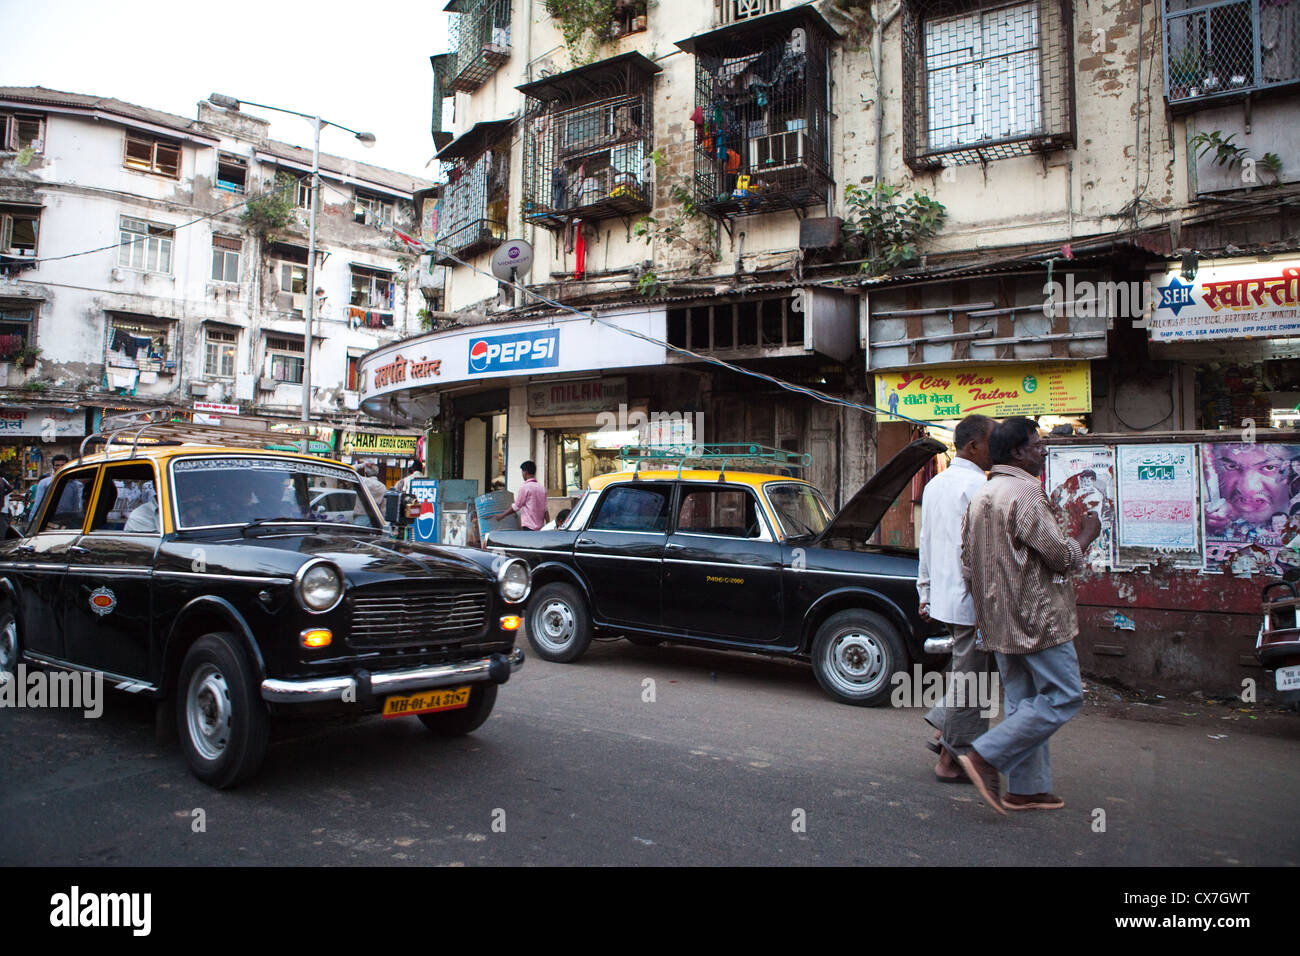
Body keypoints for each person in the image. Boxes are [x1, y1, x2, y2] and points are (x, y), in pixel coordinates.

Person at [958, 416, 1100, 814]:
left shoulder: (983, 495)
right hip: (1038, 620)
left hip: (998, 619)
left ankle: (1027, 789)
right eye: (1037, 445)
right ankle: (986, 755)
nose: (1043, 451)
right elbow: (1061, 556)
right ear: (1018, 452)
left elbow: (966, 563)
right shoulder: (1025, 493)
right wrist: (1087, 534)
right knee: (1064, 695)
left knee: (1025, 702)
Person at [916, 414, 995, 783]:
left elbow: (925, 542)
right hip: (972, 602)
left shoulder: (936, 484)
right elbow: (977, 553)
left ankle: (942, 728)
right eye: (993, 442)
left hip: (949, 599)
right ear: (974, 446)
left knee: (972, 673)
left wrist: (925, 590)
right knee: (973, 681)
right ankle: (950, 758)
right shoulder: (980, 486)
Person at [496, 460, 546, 531]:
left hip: (528, 526)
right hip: (540, 528)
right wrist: (547, 524)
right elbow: (545, 509)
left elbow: (516, 507)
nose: (522, 474)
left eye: (522, 472)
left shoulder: (525, 487)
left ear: (525, 473)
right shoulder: (542, 488)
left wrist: (502, 515)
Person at [27, 453, 70, 524]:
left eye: (62, 465)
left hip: (69, 520)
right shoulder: (45, 483)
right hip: (50, 520)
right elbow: (38, 504)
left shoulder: (74, 484)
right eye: (57, 465)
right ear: (53, 467)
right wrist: (32, 522)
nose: (60, 467)